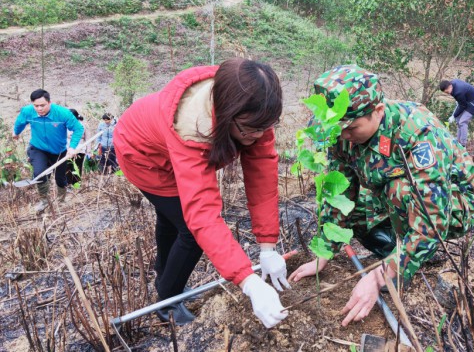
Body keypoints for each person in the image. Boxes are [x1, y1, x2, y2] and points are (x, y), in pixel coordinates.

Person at [289, 65, 474, 326]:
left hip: (453, 203)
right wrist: (324, 252)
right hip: (393, 196)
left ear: (378, 112)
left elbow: (433, 221)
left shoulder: (418, 133)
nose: (343, 137)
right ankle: (398, 250)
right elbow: (339, 191)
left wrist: (381, 275)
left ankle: (403, 263)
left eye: (351, 128)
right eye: (337, 129)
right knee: (355, 213)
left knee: (400, 190)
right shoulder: (343, 134)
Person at [114, 59, 289, 328]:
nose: (258, 135)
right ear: (228, 114)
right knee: (189, 229)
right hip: (143, 154)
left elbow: (262, 177)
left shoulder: (254, 113)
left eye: (264, 128)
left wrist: (267, 246)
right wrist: (248, 281)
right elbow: (203, 214)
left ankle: (164, 274)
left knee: (171, 216)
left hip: (163, 141)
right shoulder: (193, 124)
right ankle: (168, 300)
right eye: (251, 129)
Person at [12, 89, 84, 213]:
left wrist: (72, 147)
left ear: (49, 102)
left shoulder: (63, 113)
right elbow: (20, 122)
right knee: (39, 173)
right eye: (36, 106)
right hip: (38, 148)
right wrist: (16, 133)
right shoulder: (27, 111)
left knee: (60, 178)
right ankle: (43, 201)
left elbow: (78, 129)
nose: (39, 108)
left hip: (59, 150)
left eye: (42, 105)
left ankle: (61, 200)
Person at [439, 79, 474, 146]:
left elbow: (462, 106)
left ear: (450, 86)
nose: (449, 94)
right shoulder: (452, 83)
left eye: (448, 92)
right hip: (468, 100)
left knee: (462, 122)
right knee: (458, 119)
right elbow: (460, 103)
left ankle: (463, 144)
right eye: (446, 93)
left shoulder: (458, 92)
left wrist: (453, 116)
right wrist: (455, 115)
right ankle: (458, 140)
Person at [65, 109, 88, 187]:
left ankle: (76, 184)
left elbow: (88, 139)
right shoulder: (65, 124)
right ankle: (68, 184)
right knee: (68, 166)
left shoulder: (83, 125)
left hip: (80, 149)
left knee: (77, 167)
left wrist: (89, 152)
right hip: (68, 149)